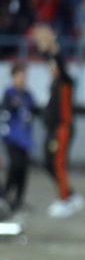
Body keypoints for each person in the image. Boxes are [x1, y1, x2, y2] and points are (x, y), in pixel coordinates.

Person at [31, 25, 84, 218]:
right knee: (48, 163)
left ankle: (64, 200)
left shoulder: (66, 81)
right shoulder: (55, 82)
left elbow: (58, 61)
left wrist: (52, 44)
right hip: (53, 128)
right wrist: (45, 49)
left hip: (63, 127)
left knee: (58, 163)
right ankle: (70, 194)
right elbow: (52, 60)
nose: (52, 68)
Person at [2, 62, 36, 211]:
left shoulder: (28, 95)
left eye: (24, 76)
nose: (23, 79)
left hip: (24, 139)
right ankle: (5, 194)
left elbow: (32, 112)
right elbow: (5, 112)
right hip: (11, 137)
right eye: (20, 76)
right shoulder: (9, 93)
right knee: (15, 165)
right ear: (13, 77)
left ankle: (19, 199)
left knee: (23, 168)